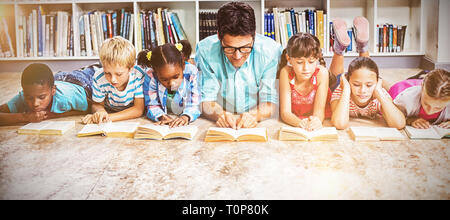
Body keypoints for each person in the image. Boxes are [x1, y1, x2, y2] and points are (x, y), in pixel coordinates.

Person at [195, 1, 283, 129]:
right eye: (229, 48)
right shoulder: (204, 50)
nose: (237, 56)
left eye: (245, 48)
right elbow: (206, 98)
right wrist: (219, 114)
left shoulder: (271, 51)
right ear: (219, 36)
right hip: (220, 120)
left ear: (253, 36)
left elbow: (270, 101)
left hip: (258, 120)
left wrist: (254, 115)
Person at [329, 17, 405, 129]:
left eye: (369, 85)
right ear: (348, 82)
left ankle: (342, 48)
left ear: (377, 83)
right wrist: (346, 89)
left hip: (368, 79)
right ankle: (362, 47)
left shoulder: (378, 94)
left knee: (366, 71)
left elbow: (399, 124)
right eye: (356, 85)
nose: (363, 90)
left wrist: (379, 91)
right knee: (334, 80)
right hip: (344, 82)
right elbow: (339, 124)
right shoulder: (341, 91)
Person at [0, 63, 89, 125]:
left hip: (80, 81)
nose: (35, 104)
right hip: (58, 78)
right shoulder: (24, 95)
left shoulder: (67, 97)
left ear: (53, 91)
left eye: (42, 97)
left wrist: (53, 114)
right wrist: (25, 117)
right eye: (29, 97)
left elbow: (89, 109)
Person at [138, 42, 201, 128]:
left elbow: (195, 103)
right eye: (164, 79)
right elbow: (152, 104)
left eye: (176, 76)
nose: (171, 83)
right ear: (156, 72)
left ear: (183, 65)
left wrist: (186, 116)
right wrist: (161, 116)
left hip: (184, 115)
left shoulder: (191, 73)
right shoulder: (151, 76)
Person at [278, 33, 332, 131]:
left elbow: (319, 112)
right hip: (296, 119)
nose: (306, 68)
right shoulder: (285, 73)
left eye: (311, 62)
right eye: (299, 62)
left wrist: (315, 122)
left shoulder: (322, 73)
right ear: (289, 59)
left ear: (317, 58)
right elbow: (285, 113)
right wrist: (300, 123)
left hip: (320, 118)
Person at [85, 36, 145, 124]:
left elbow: (138, 109)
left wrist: (108, 117)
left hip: (122, 112)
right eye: (107, 73)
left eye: (119, 74)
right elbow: (97, 104)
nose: (113, 80)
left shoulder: (138, 75)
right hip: (109, 109)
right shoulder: (99, 78)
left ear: (131, 68)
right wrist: (100, 112)